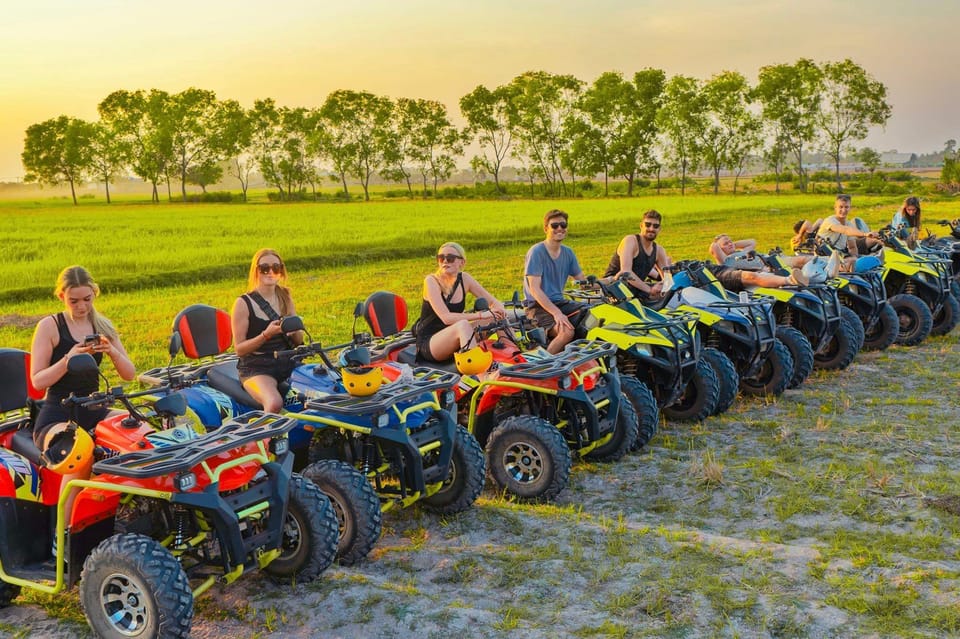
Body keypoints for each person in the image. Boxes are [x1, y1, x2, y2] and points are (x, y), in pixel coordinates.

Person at [30, 266, 136, 447]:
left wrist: (111, 350)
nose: (82, 306)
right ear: (62, 297)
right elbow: (38, 381)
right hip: (57, 414)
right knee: (79, 449)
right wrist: (68, 359)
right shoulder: (49, 326)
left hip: (94, 408)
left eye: (87, 299)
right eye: (74, 301)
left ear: (94, 293)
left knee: (138, 432)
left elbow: (130, 374)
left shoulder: (102, 326)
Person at [231, 249, 304, 413]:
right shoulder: (243, 303)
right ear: (256, 271)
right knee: (274, 402)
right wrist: (266, 335)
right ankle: (268, 438)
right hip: (257, 367)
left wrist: (295, 331)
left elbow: (298, 340)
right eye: (264, 268)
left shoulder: (285, 295)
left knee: (320, 389)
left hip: (287, 360)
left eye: (276, 267)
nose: (270, 272)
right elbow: (239, 349)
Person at [415, 242, 507, 362]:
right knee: (463, 325)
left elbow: (494, 302)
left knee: (497, 317)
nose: (445, 261)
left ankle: (514, 356)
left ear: (462, 262)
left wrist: (500, 311)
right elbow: (446, 318)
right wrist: (480, 315)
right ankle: (478, 373)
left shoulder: (465, 279)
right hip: (431, 342)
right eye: (441, 258)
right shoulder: (431, 281)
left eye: (450, 258)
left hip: (455, 335)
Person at [524, 209, 588, 354]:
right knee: (567, 332)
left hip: (559, 302)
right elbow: (534, 289)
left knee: (592, 315)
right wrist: (557, 313)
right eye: (554, 225)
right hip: (537, 306)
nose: (560, 228)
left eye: (563, 225)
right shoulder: (537, 252)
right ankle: (543, 367)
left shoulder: (568, 252)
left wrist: (610, 281)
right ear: (546, 228)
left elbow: (582, 281)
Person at [603, 209, 672, 299]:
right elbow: (626, 272)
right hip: (614, 291)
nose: (651, 229)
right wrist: (649, 290)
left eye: (655, 226)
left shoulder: (659, 250)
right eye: (648, 225)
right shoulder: (630, 241)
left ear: (659, 229)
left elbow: (668, 279)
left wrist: (663, 287)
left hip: (637, 293)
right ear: (641, 226)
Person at [704, 234, 811, 290]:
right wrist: (720, 242)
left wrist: (732, 244)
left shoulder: (741, 252)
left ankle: (825, 263)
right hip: (763, 270)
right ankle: (792, 280)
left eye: (730, 241)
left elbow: (752, 242)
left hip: (770, 260)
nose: (730, 244)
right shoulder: (726, 261)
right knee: (762, 275)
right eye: (726, 244)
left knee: (801, 259)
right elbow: (713, 247)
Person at [816, 194, 883, 270]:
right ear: (835, 208)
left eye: (846, 207)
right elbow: (845, 230)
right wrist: (864, 234)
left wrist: (855, 257)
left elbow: (852, 247)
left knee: (862, 260)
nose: (843, 210)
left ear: (850, 208)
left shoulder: (849, 224)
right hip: (824, 257)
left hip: (839, 256)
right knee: (857, 262)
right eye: (841, 207)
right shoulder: (830, 221)